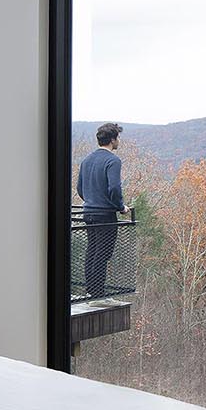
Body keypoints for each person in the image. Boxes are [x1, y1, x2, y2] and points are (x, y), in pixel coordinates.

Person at [76, 121, 126, 298]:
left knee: (92, 251)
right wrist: (121, 207)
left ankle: (91, 290)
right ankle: (98, 292)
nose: (119, 141)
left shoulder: (87, 160)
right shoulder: (113, 161)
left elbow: (80, 189)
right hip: (105, 214)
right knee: (103, 253)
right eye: (118, 137)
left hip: (88, 213)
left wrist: (91, 200)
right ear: (112, 139)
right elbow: (114, 188)